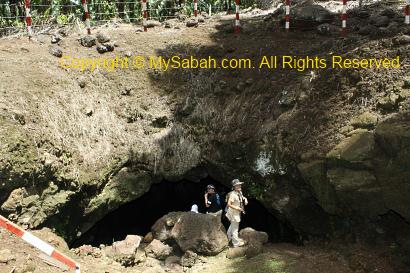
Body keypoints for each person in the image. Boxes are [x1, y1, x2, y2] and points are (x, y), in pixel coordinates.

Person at [226, 179, 248, 247]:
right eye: (237, 185)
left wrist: (245, 199)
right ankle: (236, 243)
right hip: (234, 213)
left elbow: (241, 197)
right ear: (234, 187)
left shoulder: (239, 192)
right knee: (235, 228)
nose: (239, 186)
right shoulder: (233, 194)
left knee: (232, 225)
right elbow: (229, 204)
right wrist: (237, 208)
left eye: (239, 184)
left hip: (237, 212)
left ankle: (229, 237)